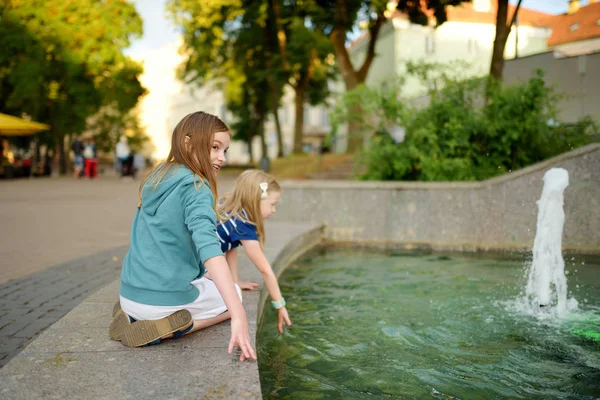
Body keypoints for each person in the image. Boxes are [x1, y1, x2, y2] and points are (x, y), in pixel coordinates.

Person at [109, 111, 256, 361]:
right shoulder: (197, 187)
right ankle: (178, 327)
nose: (222, 158)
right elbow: (210, 250)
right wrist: (239, 314)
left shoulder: (157, 177)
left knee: (211, 283)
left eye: (225, 150)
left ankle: (133, 317)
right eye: (215, 147)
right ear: (188, 143)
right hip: (161, 302)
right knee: (236, 296)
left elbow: (164, 242)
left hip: (129, 294)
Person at [216, 169, 292, 335]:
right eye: (272, 204)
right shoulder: (243, 227)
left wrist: (235, 281)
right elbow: (265, 270)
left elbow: (230, 249)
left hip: (185, 258)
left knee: (232, 288)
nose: (274, 210)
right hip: (191, 268)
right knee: (233, 301)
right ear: (256, 200)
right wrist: (280, 305)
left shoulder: (231, 210)